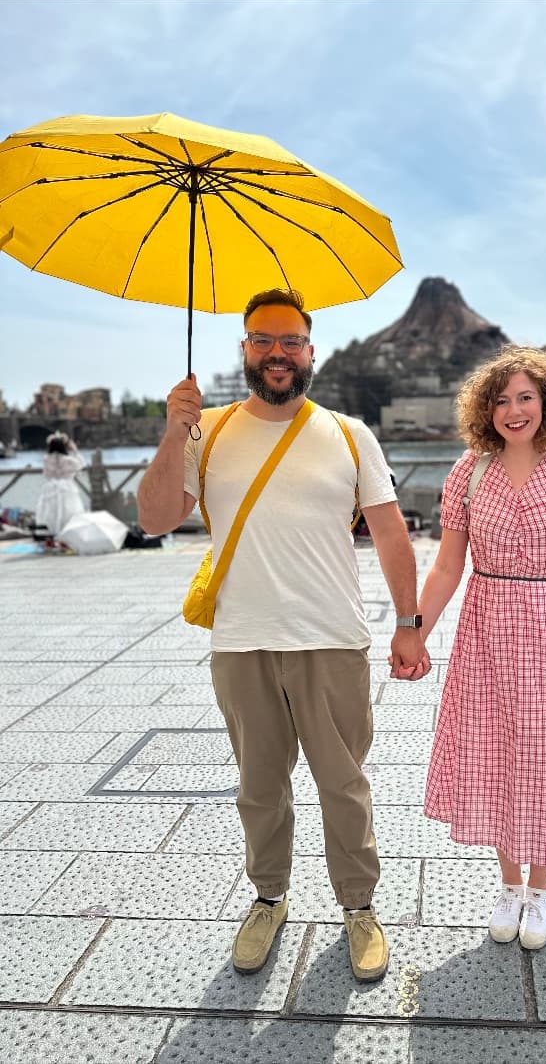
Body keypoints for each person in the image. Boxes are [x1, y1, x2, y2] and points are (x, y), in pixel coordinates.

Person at [138, 288, 430, 982]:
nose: (277, 352)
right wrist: (173, 431)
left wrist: (410, 623)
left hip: (331, 639)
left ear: (310, 352)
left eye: (290, 340)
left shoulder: (350, 433)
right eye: (263, 340)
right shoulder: (205, 430)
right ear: (244, 348)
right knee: (259, 787)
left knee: (343, 783)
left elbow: (391, 534)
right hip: (241, 641)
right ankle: (268, 897)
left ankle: (359, 906)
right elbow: (153, 519)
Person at [415, 346, 546, 950]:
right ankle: (509, 887)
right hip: (486, 634)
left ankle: (542, 888)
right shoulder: (469, 472)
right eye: (501, 400)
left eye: (525, 397)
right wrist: (415, 630)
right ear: (485, 409)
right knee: (495, 760)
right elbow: (449, 565)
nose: (513, 410)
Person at [34, 431, 86, 543]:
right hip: (66, 487)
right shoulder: (68, 460)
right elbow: (81, 464)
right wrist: (75, 450)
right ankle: (67, 535)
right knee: (68, 512)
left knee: (50, 513)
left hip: (51, 487)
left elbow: (46, 474)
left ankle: (51, 535)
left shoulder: (46, 459)